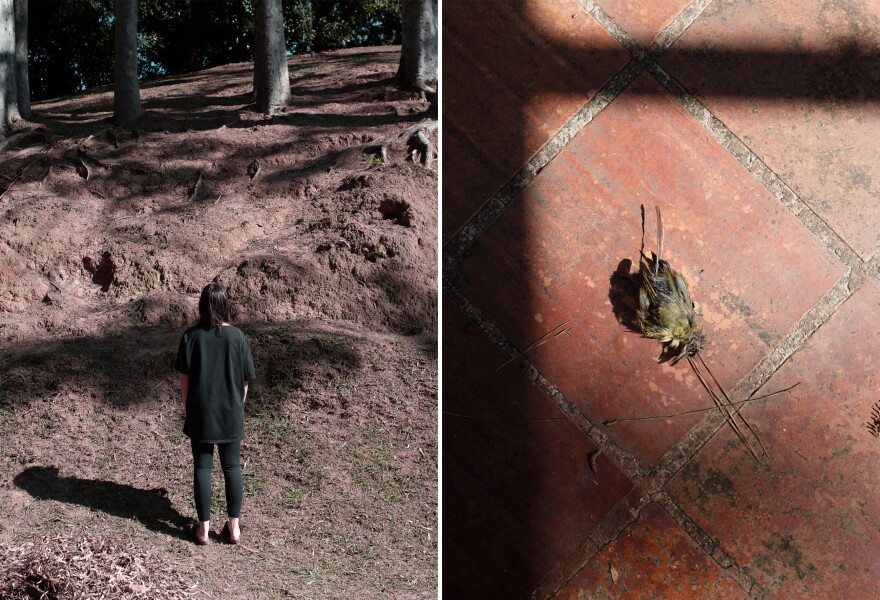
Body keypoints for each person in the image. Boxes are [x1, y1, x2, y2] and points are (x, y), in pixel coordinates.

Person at [175, 282, 256, 545]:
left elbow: (184, 378)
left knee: (202, 467)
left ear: (202, 305)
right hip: (231, 412)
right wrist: (238, 405)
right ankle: (234, 529)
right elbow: (246, 379)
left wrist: (188, 407)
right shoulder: (238, 337)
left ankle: (203, 530)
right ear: (225, 305)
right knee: (232, 467)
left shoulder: (191, 336)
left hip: (200, 411)